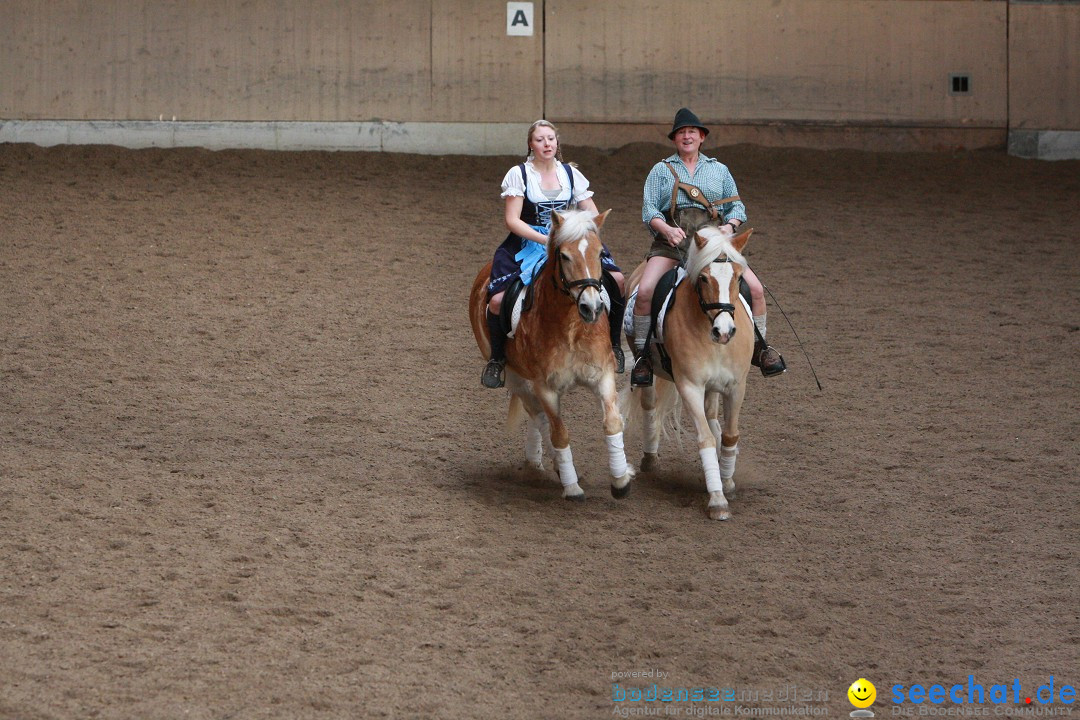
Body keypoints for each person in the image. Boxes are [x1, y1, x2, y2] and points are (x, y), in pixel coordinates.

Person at [631, 107, 786, 386]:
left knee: (757, 289)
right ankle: (643, 355)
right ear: (675, 139)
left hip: (713, 244)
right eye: (681, 133)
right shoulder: (660, 170)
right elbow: (649, 209)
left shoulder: (719, 170)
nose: (687, 137)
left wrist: (730, 226)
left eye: (692, 132)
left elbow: (737, 205)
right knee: (644, 292)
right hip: (673, 243)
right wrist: (666, 228)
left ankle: (761, 348)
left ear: (702, 137)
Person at [481, 120, 626, 389]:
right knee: (498, 300)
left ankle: (614, 344)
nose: (546, 144)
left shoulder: (571, 173)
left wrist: (584, 234)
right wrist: (547, 238)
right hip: (531, 240)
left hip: (571, 239)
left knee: (617, 280)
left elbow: (590, 212)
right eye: (540, 139)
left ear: (557, 143)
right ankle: (497, 359)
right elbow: (513, 220)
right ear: (530, 144)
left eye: (551, 139)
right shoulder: (519, 174)